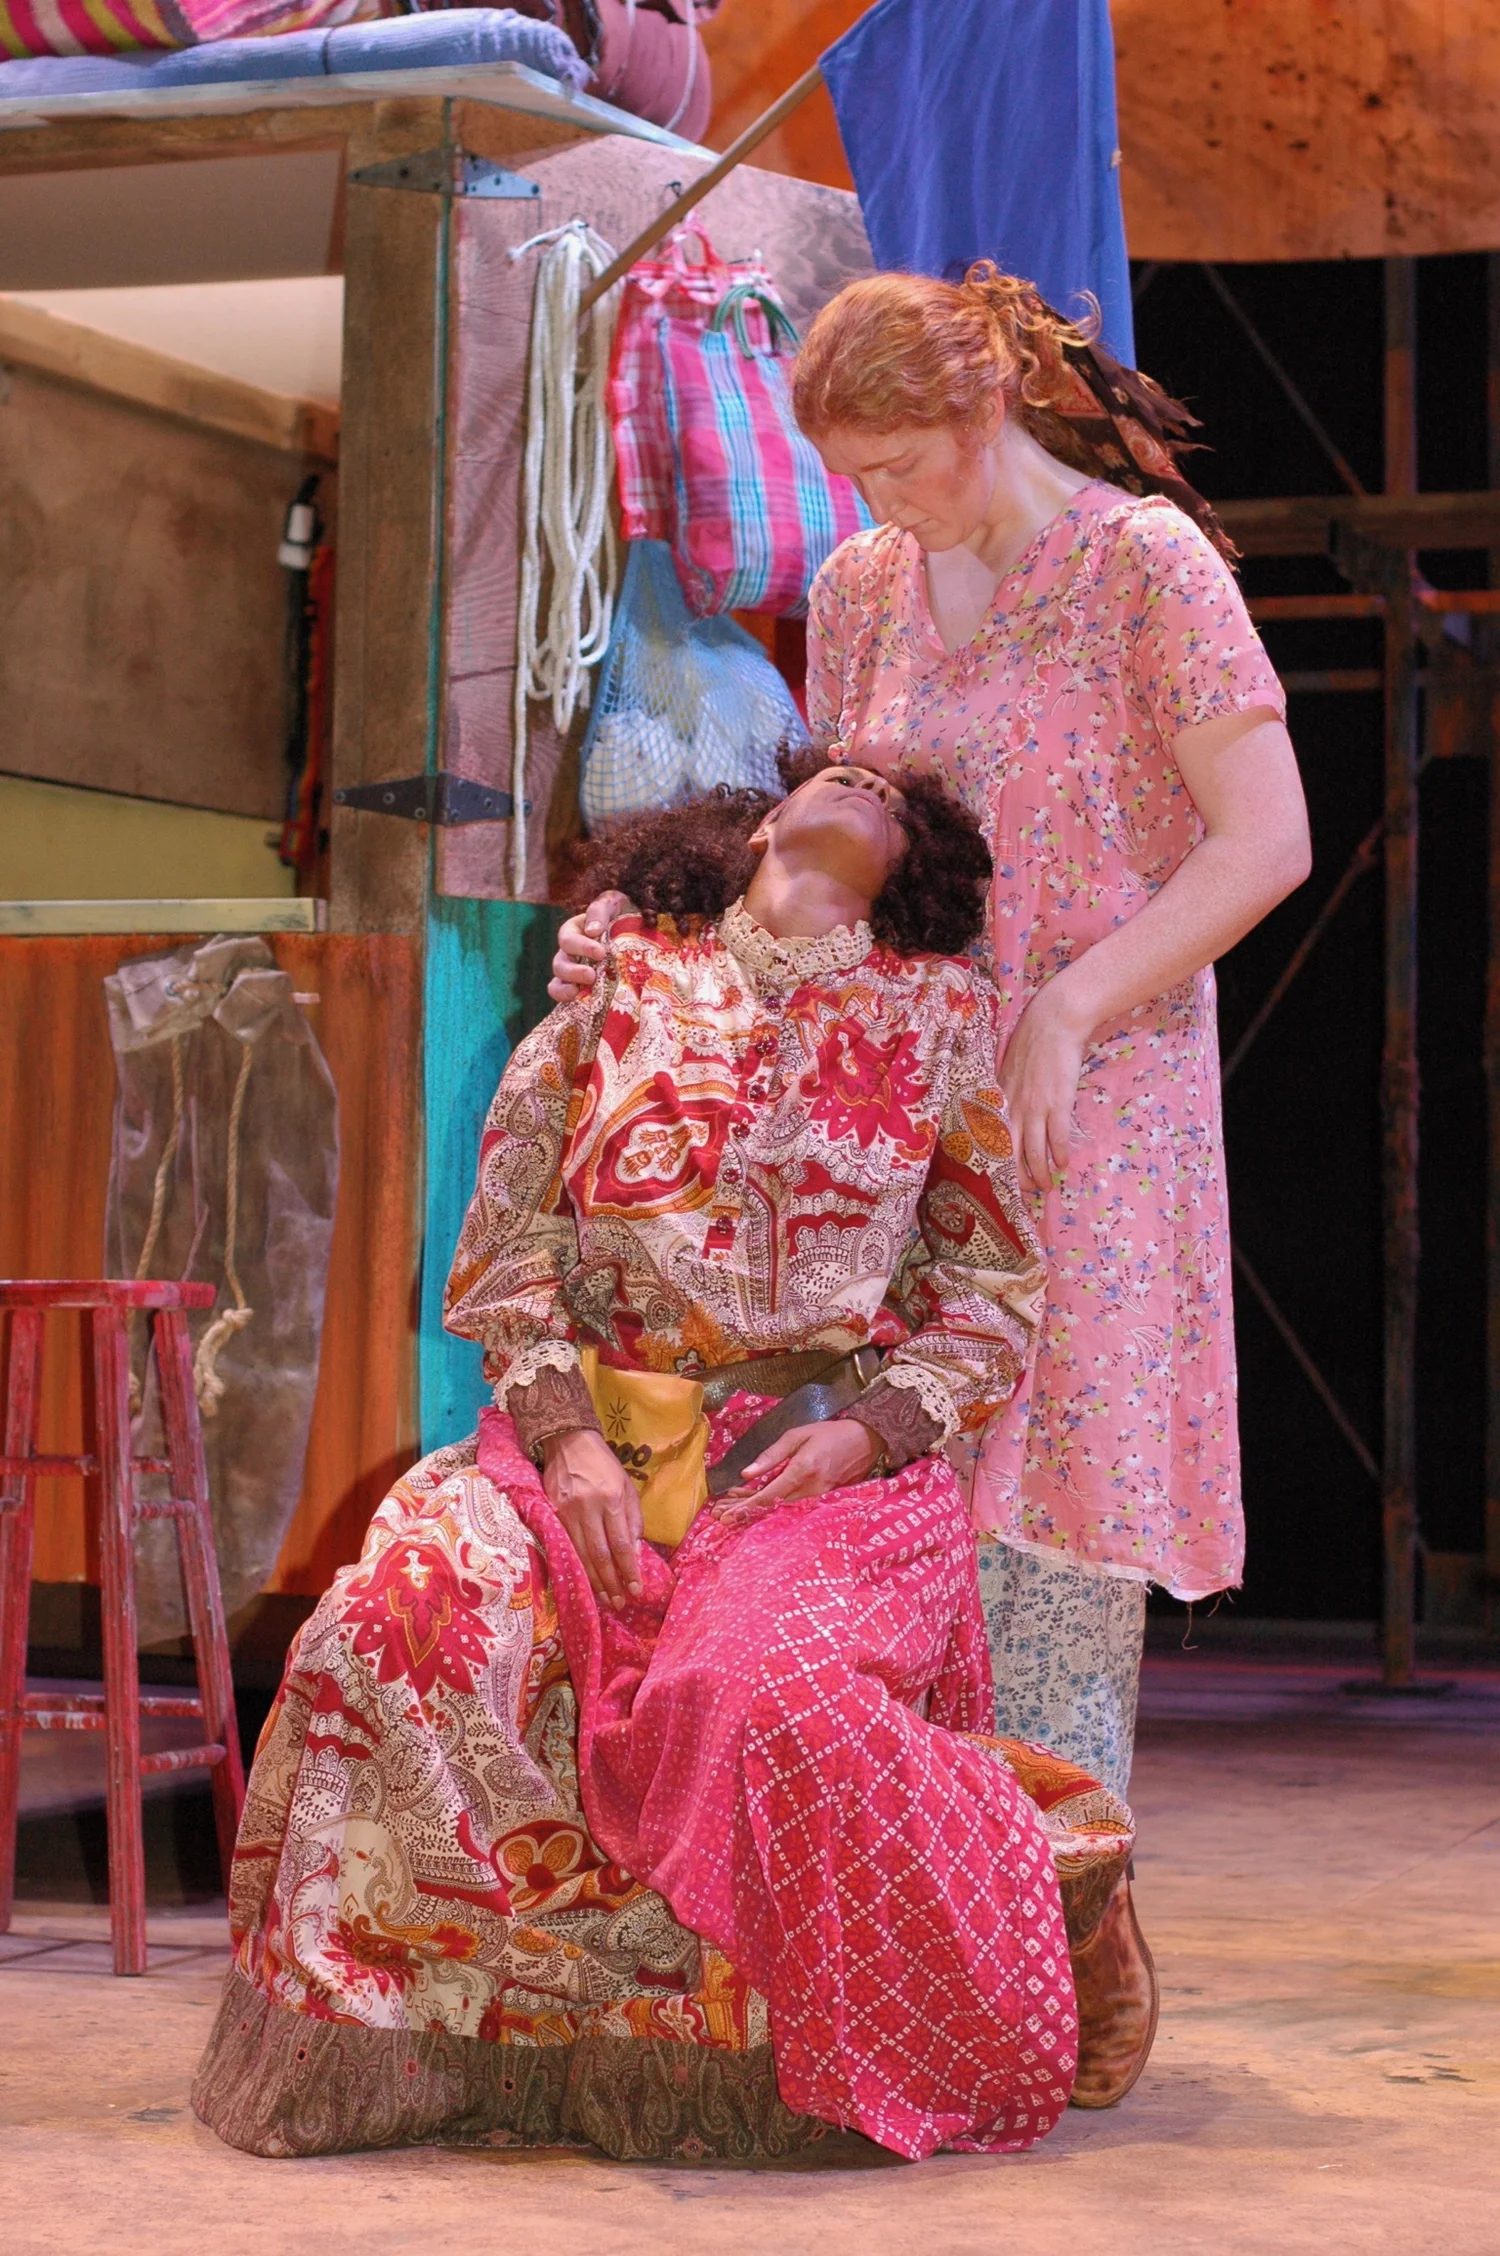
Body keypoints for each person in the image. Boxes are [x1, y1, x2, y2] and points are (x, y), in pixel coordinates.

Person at [193, 760, 1145, 2168]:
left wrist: (871, 1430)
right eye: (831, 771)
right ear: (757, 828)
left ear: (913, 870)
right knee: (386, 1628)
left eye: (892, 798)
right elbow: (508, 1253)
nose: (857, 779)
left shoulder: (942, 1017)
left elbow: (991, 1293)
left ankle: (1059, 1878)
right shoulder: (618, 978)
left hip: (816, 1468)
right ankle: (458, 2054)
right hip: (590, 1439)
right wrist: (566, 1434)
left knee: (753, 1696)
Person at [552, 265, 1312, 1800]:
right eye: (855, 475)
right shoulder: (862, 588)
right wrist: (647, 921)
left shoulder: (1142, 566)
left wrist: (1072, 1003)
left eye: (899, 465)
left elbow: (1269, 839)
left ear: (985, 411)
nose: (881, 501)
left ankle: (1058, 1889)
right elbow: (829, 852)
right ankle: (925, 1883)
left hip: (1091, 1104)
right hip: (909, 1103)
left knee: (1056, 1523)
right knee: (908, 1505)